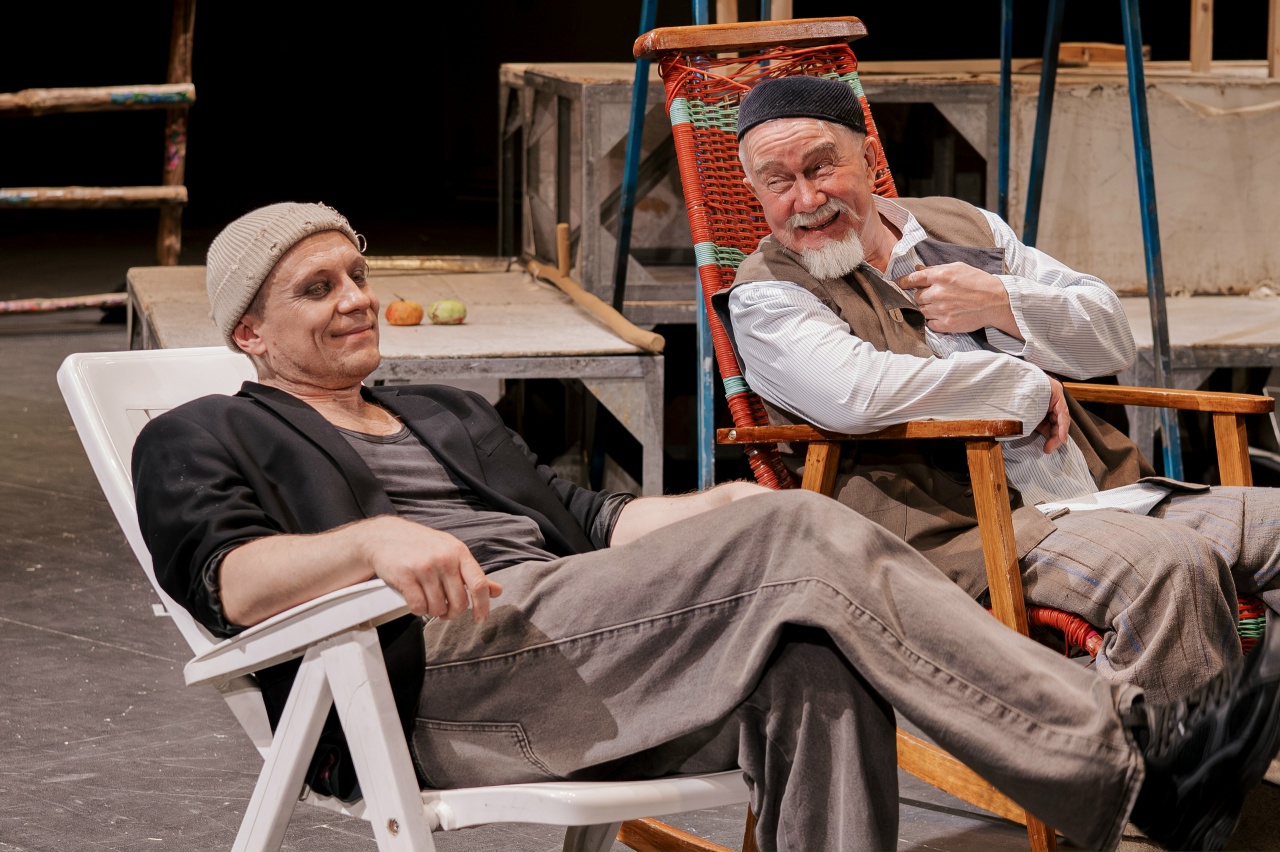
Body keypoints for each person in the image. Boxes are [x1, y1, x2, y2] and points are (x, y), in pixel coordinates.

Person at [132, 201, 1280, 852]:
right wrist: (369, 544)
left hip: (588, 645)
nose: (354, 300)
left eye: (355, 274)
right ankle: (1122, 764)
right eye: (317, 289)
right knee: (794, 544)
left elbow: (595, 521)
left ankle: (1124, 770)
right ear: (248, 334)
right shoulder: (200, 433)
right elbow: (230, 583)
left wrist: (720, 509)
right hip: (444, 674)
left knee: (809, 656)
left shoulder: (439, 410)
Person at [725, 74, 1280, 706]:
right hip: (973, 537)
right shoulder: (768, 296)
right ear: (754, 191)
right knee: (1171, 566)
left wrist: (1001, 302)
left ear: (871, 160)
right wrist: (1023, 383)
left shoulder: (963, 227)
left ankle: (1212, 738)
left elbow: (1111, 338)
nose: (805, 198)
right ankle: (1151, 770)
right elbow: (857, 394)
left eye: (822, 167)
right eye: (777, 181)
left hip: (1107, 494)